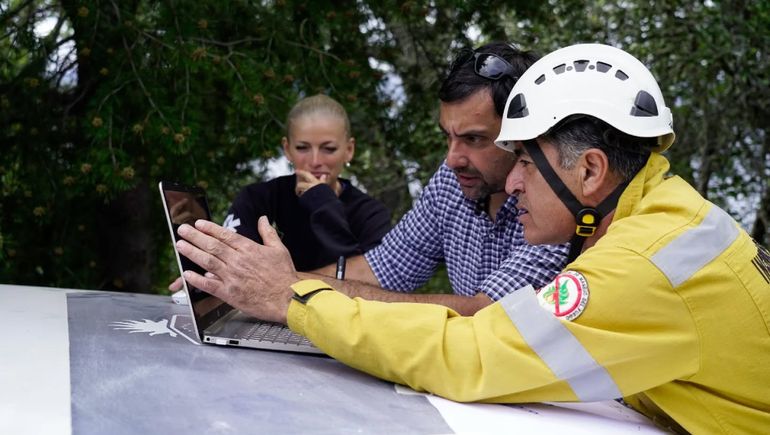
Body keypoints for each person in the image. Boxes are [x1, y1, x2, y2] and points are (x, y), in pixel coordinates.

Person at [175, 43, 770, 434]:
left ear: (590, 171)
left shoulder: (639, 261)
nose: (512, 182)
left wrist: (290, 297)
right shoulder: (656, 216)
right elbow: (386, 270)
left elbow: (472, 351)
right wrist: (260, 277)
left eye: (526, 163)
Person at [309, 42, 568, 314]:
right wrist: (290, 283)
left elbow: (487, 315)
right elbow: (386, 268)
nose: (452, 159)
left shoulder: (556, 201)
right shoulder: (451, 182)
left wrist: (305, 292)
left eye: (473, 138)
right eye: (448, 136)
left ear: (522, 134)